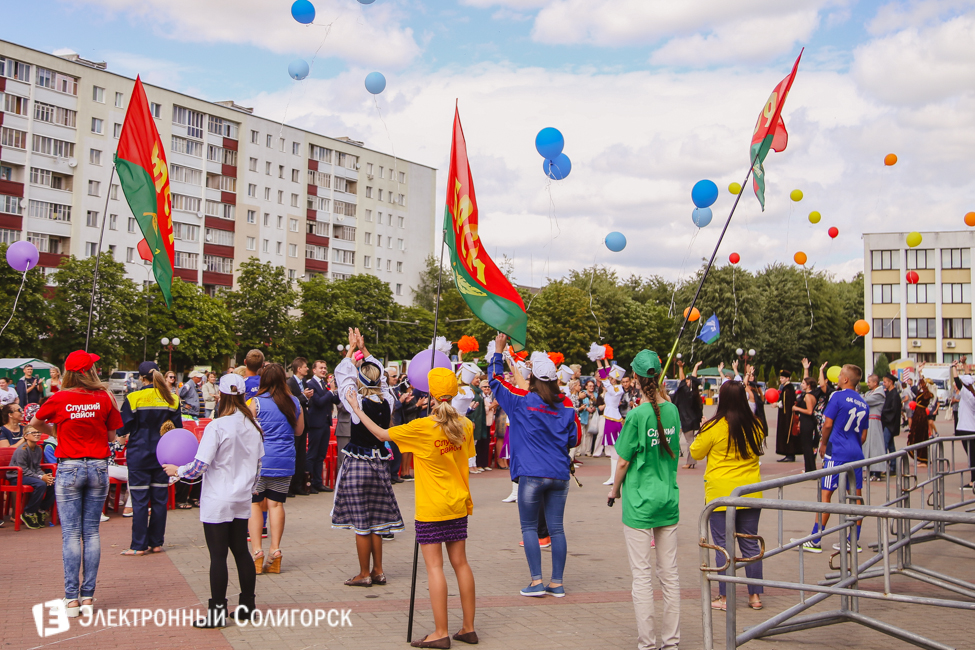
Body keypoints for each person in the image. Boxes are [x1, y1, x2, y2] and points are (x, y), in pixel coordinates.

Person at [348, 367, 478, 649]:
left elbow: (382, 434)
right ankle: (468, 628)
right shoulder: (466, 425)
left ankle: (441, 632)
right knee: (461, 563)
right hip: (457, 502)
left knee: (435, 567)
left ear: (431, 394)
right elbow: (466, 457)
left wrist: (357, 409)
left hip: (432, 507)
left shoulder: (423, 426)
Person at [163, 374, 264, 628]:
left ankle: (217, 612)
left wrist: (178, 471)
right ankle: (247, 606)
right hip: (241, 496)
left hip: (218, 496)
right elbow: (258, 466)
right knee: (241, 550)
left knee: (218, 555)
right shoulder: (253, 426)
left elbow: (200, 465)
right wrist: (250, 489)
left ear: (221, 396)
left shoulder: (217, 426)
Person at [29, 350, 122, 618]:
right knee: (91, 533)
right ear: (87, 371)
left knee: (70, 534)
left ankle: (71, 599)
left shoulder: (59, 398)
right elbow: (112, 435)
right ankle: (88, 597)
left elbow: (35, 423)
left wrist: (57, 432)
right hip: (97, 466)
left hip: (69, 466)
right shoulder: (104, 397)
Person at [489, 334, 579, 598]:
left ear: (533, 379)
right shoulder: (566, 406)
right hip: (559, 474)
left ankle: (537, 581)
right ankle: (557, 583)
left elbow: (495, 381)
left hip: (531, 474)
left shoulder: (522, 400)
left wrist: (498, 351)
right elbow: (574, 439)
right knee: (557, 529)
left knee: (529, 528)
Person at [609, 350, 682, 649]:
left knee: (642, 577)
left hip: (639, 502)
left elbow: (623, 461)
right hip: (667, 498)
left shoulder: (638, 415)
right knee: (670, 575)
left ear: (637, 379)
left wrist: (614, 490)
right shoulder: (672, 410)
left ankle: (648, 644)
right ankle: (671, 642)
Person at [332, 328, 404, 586]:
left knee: (362, 523)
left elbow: (343, 376)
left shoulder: (356, 403)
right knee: (377, 522)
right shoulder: (387, 401)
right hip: (379, 465)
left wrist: (352, 349)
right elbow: (381, 379)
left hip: (358, 465)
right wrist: (366, 351)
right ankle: (378, 571)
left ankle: (364, 573)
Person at [690, 380, 766, 612]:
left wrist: (703, 428)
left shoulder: (714, 426)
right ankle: (754, 596)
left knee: (723, 546)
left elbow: (695, 452)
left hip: (721, 494)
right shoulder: (755, 424)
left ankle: (725, 596)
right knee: (750, 544)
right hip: (750, 492)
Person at [794, 364, 868, 553]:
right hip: (856, 453)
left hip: (837, 452)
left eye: (840, 374)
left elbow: (827, 424)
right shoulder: (863, 402)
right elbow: (863, 435)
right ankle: (853, 540)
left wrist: (824, 444)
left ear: (846, 379)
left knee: (826, 494)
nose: (838, 377)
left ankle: (815, 539)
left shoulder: (837, 396)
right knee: (856, 495)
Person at [119, 361, 183, 556]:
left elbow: (122, 428)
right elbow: (177, 429)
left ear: (141, 378)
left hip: (139, 454)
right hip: (163, 456)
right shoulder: (172, 398)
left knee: (139, 501)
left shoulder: (133, 398)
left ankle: (138, 546)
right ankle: (156, 543)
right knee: (159, 500)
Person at [248, 363, 303, 574]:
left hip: (260, 461)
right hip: (284, 460)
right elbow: (299, 431)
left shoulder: (256, 403)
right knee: (276, 504)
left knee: (255, 504)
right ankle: (275, 550)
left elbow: (246, 431)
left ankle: (257, 552)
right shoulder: (294, 402)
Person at [7, 427, 56, 529]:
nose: (37, 434)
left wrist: (45, 476)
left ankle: (41, 510)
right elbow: (23, 470)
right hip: (17, 476)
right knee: (41, 484)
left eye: (38, 432)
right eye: (33, 432)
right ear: (26, 436)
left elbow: (37, 467)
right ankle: (28, 512)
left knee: (53, 483)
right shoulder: (22, 450)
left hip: (30, 475)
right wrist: (41, 477)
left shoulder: (38, 449)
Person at [305, 359, 337, 493]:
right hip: (315, 423)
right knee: (312, 454)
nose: (323, 370)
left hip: (325, 422)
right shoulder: (310, 384)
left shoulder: (324, 384)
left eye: (325, 368)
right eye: (321, 368)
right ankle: (309, 482)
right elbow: (318, 402)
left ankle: (318, 482)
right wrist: (331, 392)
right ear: (314, 370)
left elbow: (334, 400)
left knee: (321, 455)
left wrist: (335, 391)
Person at [596, 359, 626, 486]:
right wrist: (604, 359)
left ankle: (615, 476)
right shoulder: (616, 387)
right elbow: (607, 374)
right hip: (612, 418)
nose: (609, 378)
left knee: (614, 449)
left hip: (612, 419)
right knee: (613, 449)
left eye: (611, 377)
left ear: (615, 379)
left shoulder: (616, 389)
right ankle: (615, 476)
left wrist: (598, 361)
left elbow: (604, 377)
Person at [287, 357, 312, 497]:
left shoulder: (304, 382)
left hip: (304, 422)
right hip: (294, 423)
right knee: (294, 454)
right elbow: (291, 401)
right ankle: (290, 486)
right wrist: (303, 396)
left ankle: (298, 485)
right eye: (305, 366)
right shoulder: (290, 383)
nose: (307, 368)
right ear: (298, 369)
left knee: (301, 455)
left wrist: (307, 398)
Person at [672, 360, 704, 469]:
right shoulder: (695, 394)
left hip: (687, 420)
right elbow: (690, 380)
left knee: (690, 441)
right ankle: (691, 461)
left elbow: (682, 380)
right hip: (693, 420)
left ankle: (691, 461)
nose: (687, 382)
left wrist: (681, 367)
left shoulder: (686, 393)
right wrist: (695, 367)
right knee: (691, 441)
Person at [863, 374, 888, 480]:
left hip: (874, 422)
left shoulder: (879, 394)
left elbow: (866, 400)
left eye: (869, 382)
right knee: (867, 447)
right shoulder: (869, 393)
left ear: (875, 382)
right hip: (868, 422)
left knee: (875, 447)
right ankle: (869, 471)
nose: (867, 384)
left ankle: (876, 473)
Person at [791, 377, 819, 473]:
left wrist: (797, 408)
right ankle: (809, 468)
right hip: (806, 421)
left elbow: (809, 411)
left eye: (803, 383)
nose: (802, 385)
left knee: (807, 446)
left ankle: (810, 469)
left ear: (808, 385)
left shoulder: (808, 396)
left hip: (807, 422)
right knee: (807, 446)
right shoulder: (810, 395)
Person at [952, 373, 975, 489]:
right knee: (972, 455)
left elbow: (957, 381)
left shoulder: (967, 394)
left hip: (967, 429)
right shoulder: (971, 394)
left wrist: (954, 368)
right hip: (969, 428)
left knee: (972, 456)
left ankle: (973, 481)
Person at [908, 377, 934, 464]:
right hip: (917, 415)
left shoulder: (929, 394)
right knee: (916, 435)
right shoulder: (922, 393)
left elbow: (925, 393)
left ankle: (924, 459)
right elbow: (919, 390)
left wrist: (922, 380)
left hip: (921, 416)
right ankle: (919, 457)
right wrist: (920, 375)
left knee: (921, 436)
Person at [775, 369, 799, 462]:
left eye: (782, 378)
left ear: (787, 378)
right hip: (785, 415)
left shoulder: (787, 389)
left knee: (787, 433)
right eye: (780, 378)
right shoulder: (786, 388)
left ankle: (790, 453)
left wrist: (777, 404)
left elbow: (786, 404)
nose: (781, 379)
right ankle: (788, 453)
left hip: (787, 416)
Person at [880, 374, 902, 476]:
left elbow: (893, 410)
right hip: (888, 423)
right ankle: (893, 466)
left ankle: (885, 467)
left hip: (890, 423)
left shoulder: (894, 395)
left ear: (890, 382)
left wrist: (883, 412)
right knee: (891, 446)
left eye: (885, 382)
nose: (884, 384)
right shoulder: (889, 393)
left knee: (885, 445)